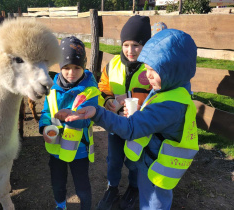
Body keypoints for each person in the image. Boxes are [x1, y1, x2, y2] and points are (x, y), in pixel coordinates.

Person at [55, 29, 199, 210]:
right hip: (153, 159)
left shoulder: (170, 105)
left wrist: (97, 113)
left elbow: (131, 128)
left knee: (153, 204)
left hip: (159, 170)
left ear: (173, 69)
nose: (148, 76)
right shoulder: (173, 88)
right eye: (147, 69)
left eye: (153, 71)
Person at [39, 36, 100, 210]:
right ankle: (60, 205)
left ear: (84, 66)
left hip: (79, 149)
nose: (71, 72)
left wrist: (73, 117)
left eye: (76, 67)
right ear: (60, 66)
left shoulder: (90, 90)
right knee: (58, 182)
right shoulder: (51, 88)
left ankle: (85, 207)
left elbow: (88, 119)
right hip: (56, 147)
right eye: (66, 67)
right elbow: (45, 112)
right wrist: (44, 127)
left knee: (82, 186)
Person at [97, 15, 151, 210]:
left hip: (139, 127)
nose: (130, 50)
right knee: (114, 158)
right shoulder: (112, 65)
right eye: (126, 45)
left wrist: (141, 108)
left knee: (135, 160)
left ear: (145, 44)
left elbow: (157, 96)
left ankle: (134, 188)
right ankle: (112, 188)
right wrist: (109, 100)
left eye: (136, 45)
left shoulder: (151, 68)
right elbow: (103, 87)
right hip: (116, 124)